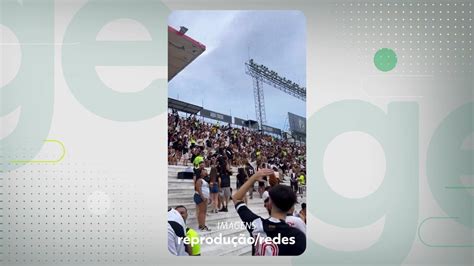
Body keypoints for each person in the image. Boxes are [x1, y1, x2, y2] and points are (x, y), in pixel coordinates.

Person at [232, 168, 306, 256]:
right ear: (291, 207)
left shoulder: (257, 225)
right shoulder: (298, 236)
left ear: (270, 203)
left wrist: (253, 178)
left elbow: (236, 198)